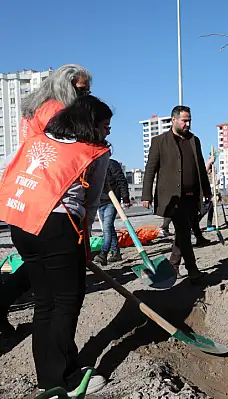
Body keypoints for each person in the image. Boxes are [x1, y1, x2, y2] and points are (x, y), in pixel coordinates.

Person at [0, 95, 112, 394]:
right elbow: (90, 204)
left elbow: (9, 170)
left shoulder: (39, 139)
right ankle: (69, 380)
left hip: (21, 224)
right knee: (66, 304)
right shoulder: (93, 151)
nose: (108, 132)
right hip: (58, 228)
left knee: (45, 304)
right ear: (91, 124)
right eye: (105, 125)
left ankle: (48, 380)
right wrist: (84, 245)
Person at [0, 64, 92, 340]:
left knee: (37, 267)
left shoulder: (38, 110)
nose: (86, 95)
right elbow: (61, 155)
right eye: (81, 90)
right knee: (57, 293)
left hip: (33, 198)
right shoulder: (55, 112)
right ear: (66, 87)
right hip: (50, 200)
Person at [142, 105, 211, 282]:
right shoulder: (160, 141)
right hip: (173, 198)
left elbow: (200, 167)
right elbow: (150, 169)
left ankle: (173, 265)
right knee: (183, 230)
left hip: (192, 196)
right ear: (174, 120)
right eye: (184, 120)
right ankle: (192, 269)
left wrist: (207, 190)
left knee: (183, 231)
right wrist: (146, 195)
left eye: (189, 120)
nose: (188, 124)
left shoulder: (194, 140)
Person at [94, 159, 131, 265]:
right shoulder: (95, 166)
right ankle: (116, 253)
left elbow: (121, 180)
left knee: (106, 228)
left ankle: (103, 253)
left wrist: (125, 198)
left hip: (112, 201)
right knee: (109, 228)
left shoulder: (111, 164)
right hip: (100, 202)